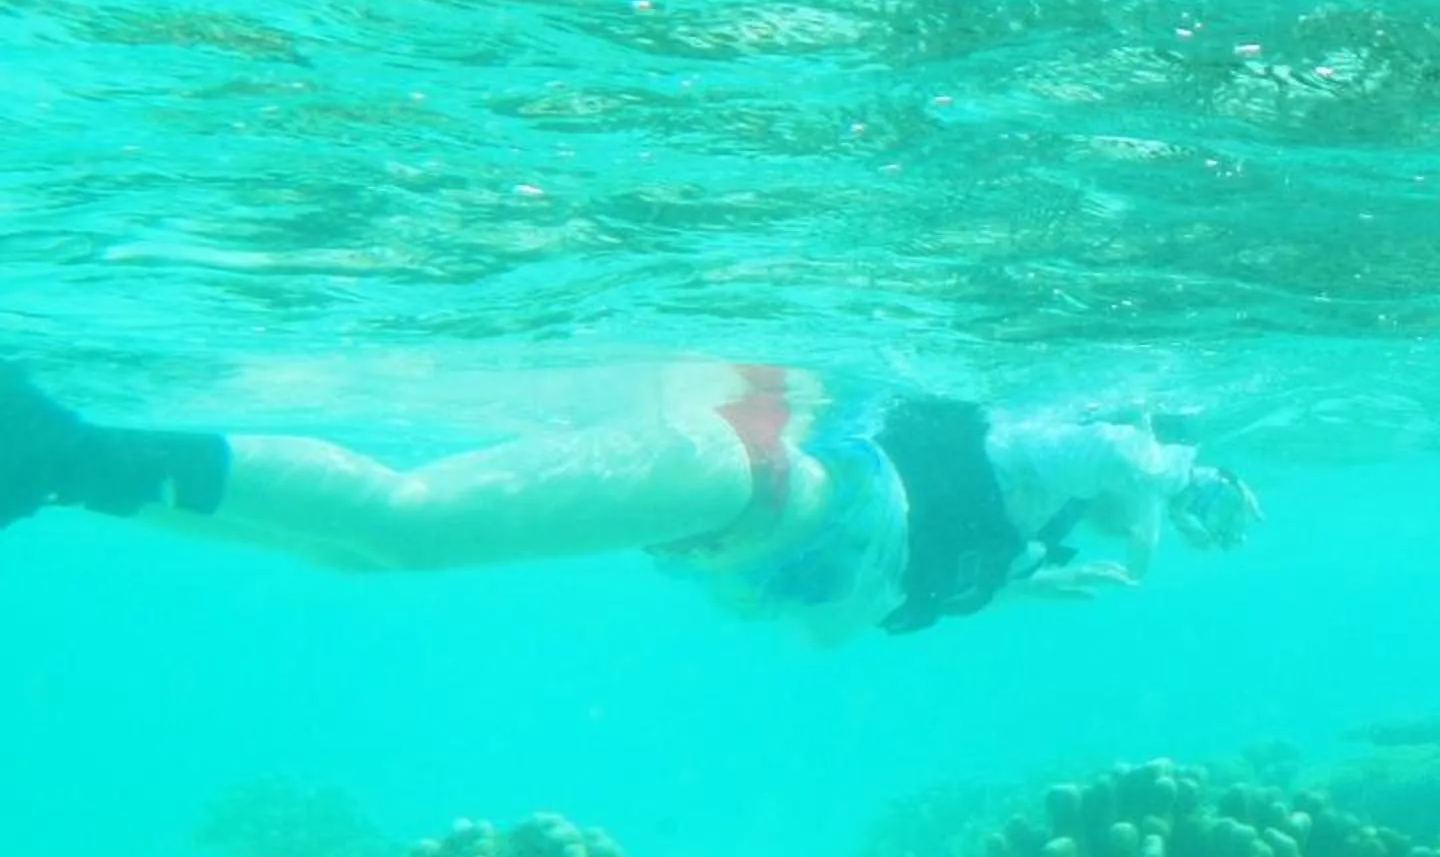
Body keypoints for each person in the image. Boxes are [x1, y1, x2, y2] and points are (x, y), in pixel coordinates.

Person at [0, 358, 1261, 641]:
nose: (1193, 506)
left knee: (374, 555)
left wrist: (1044, 573)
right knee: (407, 524)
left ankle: (53, 474)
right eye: (1209, 488)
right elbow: (1141, 481)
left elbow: (967, 555)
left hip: (742, 512)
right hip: (757, 480)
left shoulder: (1034, 522)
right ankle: (64, 443)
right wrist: (1184, 492)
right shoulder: (1101, 449)